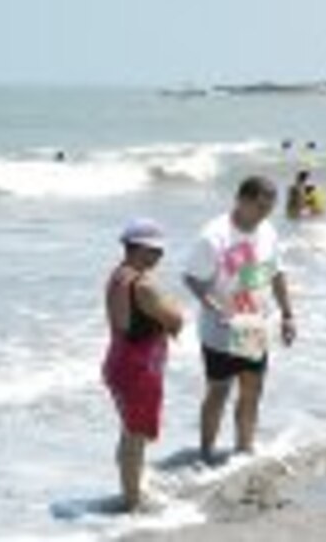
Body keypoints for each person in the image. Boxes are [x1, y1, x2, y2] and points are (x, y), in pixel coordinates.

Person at [183, 176, 296, 463]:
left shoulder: (267, 231)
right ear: (241, 200)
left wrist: (288, 315)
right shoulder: (214, 236)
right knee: (218, 391)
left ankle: (244, 450)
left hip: (252, 323)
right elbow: (191, 278)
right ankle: (205, 454)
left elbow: (276, 273)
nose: (264, 214)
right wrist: (212, 305)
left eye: (269, 208)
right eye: (259, 207)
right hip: (220, 326)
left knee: (252, 389)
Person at [102, 218, 183, 512]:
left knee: (130, 431)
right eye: (155, 251)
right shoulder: (143, 284)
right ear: (138, 249)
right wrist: (173, 308)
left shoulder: (118, 276)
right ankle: (132, 502)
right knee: (136, 435)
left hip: (119, 359)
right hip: (138, 366)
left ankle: (130, 488)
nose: (160, 257)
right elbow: (175, 320)